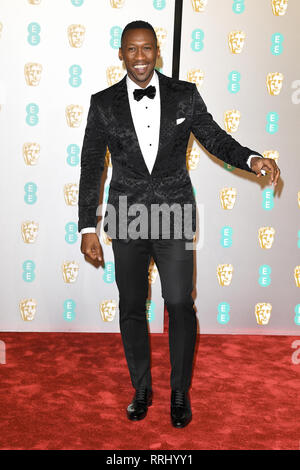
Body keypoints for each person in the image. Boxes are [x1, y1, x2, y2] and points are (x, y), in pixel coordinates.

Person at [78, 20, 280, 428]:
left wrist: (253, 158)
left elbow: (215, 138)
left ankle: (179, 391)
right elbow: (90, 165)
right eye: (131, 50)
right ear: (121, 54)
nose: (139, 57)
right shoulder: (102, 103)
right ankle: (141, 388)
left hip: (173, 214)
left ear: (157, 51)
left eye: (147, 49)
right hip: (127, 216)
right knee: (132, 307)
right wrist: (86, 227)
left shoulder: (184, 95)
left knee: (178, 303)